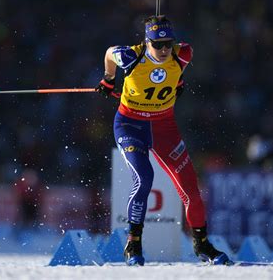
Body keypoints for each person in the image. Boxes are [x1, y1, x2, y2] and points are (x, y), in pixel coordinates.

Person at [95, 15, 232, 266]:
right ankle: (133, 242)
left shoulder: (183, 54)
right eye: (157, 45)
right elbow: (108, 53)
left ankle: (202, 245)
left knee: (190, 185)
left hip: (163, 126)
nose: (164, 49)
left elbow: (175, 72)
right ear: (146, 42)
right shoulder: (130, 56)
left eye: (168, 43)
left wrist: (178, 81)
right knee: (144, 178)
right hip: (130, 125)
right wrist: (108, 79)